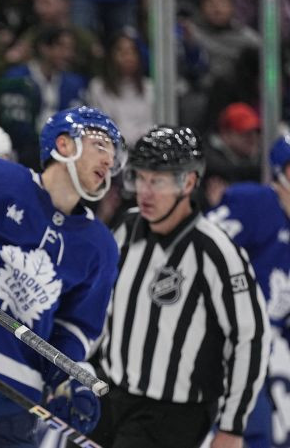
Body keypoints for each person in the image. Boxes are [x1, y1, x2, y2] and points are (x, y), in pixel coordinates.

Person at [93, 125, 270, 448]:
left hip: (173, 413)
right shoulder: (127, 226)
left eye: (157, 181)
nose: (144, 192)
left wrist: (232, 427)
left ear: (188, 182)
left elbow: (251, 337)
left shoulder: (216, 250)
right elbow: (102, 304)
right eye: (140, 179)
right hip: (111, 396)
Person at [0, 108, 123, 447]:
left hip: (15, 395)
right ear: (64, 144)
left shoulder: (100, 246)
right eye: (101, 145)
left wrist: (66, 377)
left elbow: (76, 328)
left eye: (114, 153)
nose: (110, 160)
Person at [206, 134, 290, 448]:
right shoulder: (257, 204)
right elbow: (198, 253)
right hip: (226, 344)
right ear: (281, 173)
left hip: (268, 350)